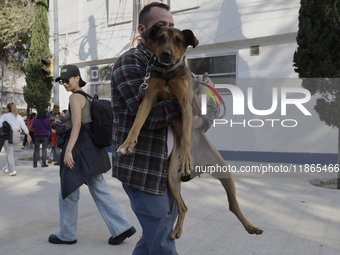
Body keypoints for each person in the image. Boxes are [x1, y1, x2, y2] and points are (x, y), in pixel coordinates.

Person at [111, 3, 216, 254]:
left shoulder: (175, 67)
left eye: (172, 27)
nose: (168, 35)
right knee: (162, 242)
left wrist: (202, 111)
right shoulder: (130, 62)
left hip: (167, 167)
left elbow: (203, 111)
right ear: (144, 31)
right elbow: (147, 115)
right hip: (142, 168)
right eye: (160, 28)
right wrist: (186, 102)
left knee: (153, 239)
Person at [48, 65, 135, 245]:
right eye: (62, 81)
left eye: (68, 79)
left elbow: (78, 125)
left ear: (77, 78)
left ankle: (67, 234)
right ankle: (122, 227)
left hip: (78, 150)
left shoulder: (74, 97)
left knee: (68, 190)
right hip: (92, 151)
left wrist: (69, 150)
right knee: (100, 189)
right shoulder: (87, 98)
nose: (64, 83)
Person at [0, 103, 31, 176]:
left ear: (7, 109)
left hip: (8, 135)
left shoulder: (4, 116)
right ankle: (6, 168)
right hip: (17, 135)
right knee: (10, 152)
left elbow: (0, 125)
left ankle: (13, 170)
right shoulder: (19, 116)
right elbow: (24, 127)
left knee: (9, 153)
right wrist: (28, 136)